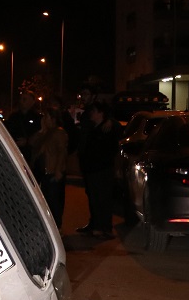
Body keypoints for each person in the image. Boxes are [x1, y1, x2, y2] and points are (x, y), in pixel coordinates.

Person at [76, 101, 122, 239]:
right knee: (94, 198)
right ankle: (96, 224)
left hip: (102, 168)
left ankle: (104, 227)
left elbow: (112, 146)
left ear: (101, 113)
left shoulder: (108, 128)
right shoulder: (92, 127)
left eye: (95, 111)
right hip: (91, 168)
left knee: (103, 198)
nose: (92, 114)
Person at [30, 107, 68, 228]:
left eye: (46, 117)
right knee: (47, 201)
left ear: (53, 118)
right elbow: (32, 143)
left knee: (54, 202)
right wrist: (41, 131)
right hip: (44, 172)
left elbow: (62, 152)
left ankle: (57, 227)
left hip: (52, 171)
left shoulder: (59, 132)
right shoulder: (46, 132)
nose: (44, 119)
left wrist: (58, 170)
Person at [4, 91, 41, 165]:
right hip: (16, 152)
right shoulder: (13, 117)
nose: (22, 101)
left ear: (32, 102)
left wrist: (27, 141)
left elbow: (40, 134)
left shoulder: (38, 118)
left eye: (25, 99)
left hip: (30, 154)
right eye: (21, 99)